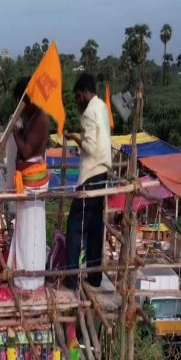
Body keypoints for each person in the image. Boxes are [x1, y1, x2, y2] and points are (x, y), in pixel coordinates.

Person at [63, 73, 112, 290]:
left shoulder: (90, 112)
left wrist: (74, 137)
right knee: (94, 227)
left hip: (91, 174)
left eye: (77, 97)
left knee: (74, 226)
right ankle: (94, 277)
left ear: (84, 92)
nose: (77, 102)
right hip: (102, 173)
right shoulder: (101, 107)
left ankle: (72, 278)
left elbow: (91, 147)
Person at [6, 77, 50, 292]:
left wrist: (14, 128)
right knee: (23, 230)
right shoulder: (32, 116)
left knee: (31, 233)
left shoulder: (41, 117)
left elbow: (25, 150)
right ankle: (21, 277)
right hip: (26, 179)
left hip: (33, 180)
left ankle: (30, 281)